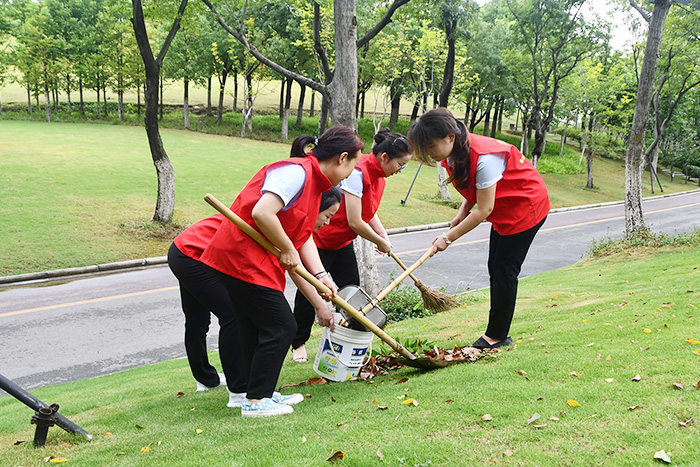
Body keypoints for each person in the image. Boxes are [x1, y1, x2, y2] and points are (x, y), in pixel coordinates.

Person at [199, 126, 364, 417]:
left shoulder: (317, 187)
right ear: (342, 158)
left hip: (253, 262)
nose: (352, 172)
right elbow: (262, 212)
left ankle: (256, 393)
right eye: (353, 164)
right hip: (240, 258)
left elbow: (302, 242)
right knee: (282, 326)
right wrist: (287, 249)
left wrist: (321, 278)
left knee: (255, 327)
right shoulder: (296, 173)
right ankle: (255, 401)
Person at [167, 187, 343, 408]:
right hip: (192, 253)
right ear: (313, 208)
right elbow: (295, 269)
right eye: (328, 215)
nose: (328, 223)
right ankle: (240, 392)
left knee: (203, 319)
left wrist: (321, 282)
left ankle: (223, 384)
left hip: (193, 250)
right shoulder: (280, 220)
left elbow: (300, 260)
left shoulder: (294, 221)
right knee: (232, 315)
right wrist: (320, 306)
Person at [407, 108, 550, 349]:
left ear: (449, 137)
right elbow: (475, 187)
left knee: (504, 269)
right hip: (505, 209)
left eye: (430, 146)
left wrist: (448, 238)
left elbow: (484, 210)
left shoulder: (484, 158)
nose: (429, 153)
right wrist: (462, 211)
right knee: (495, 266)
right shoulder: (457, 150)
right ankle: (497, 332)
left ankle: (496, 337)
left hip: (525, 208)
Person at [290, 129, 412, 363]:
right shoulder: (358, 171)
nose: (400, 170)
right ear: (384, 157)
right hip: (322, 240)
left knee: (352, 292)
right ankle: (298, 343)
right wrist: (379, 241)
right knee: (310, 293)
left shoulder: (379, 177)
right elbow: (356, 221)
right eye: (400, 164)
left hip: (343, 243)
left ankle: (348, 339)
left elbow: (369, 211)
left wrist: (382, 233)